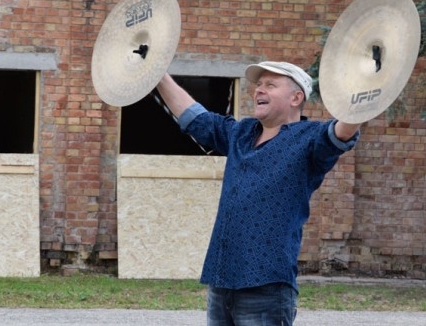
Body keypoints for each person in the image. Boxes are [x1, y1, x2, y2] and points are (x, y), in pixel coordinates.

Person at [155, 61, 361, 326]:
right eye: (258, 85)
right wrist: (158, 75)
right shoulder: (240, 133)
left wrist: (367, 94)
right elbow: (195, 117)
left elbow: (342, 132)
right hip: (221, 281)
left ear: (296, 98)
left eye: (270, 85)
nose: (258, 91)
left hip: (267, 286)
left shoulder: (310, 139)